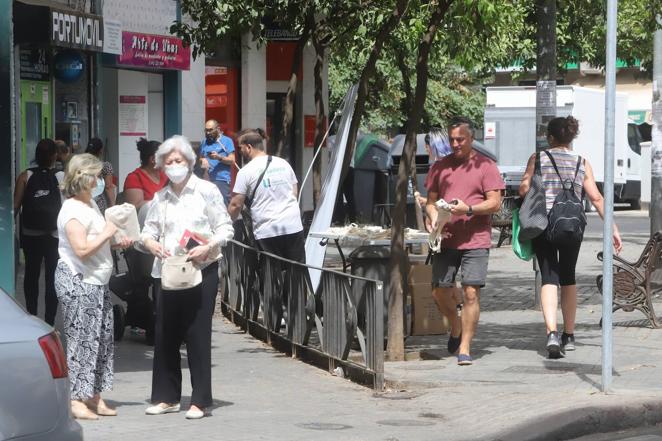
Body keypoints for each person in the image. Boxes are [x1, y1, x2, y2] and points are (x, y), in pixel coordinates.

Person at [140, 135, 234, 420]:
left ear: (190, 163)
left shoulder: (206, 191)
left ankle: (200, 400)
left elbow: (226, 228)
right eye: (168, 162)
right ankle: (166, 397)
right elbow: (147, 231)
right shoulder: (160, 197)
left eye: (178, 161)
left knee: (197, 334)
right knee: (165, 333)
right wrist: (149, 243)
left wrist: (208, 246)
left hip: (201, 270)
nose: (173, 166)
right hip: (168, 271)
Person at [519, 116, 623, 359]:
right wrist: (613, 228)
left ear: (550, 137)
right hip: (572, 227)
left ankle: (552, 333)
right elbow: (596, 197)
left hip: (543, 224)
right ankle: (570, 335)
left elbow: (524, 189)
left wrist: (534, 184)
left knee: (548, 276)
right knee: (568, 277)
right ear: (571, 138)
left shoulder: (539, 158)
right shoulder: (582, 162)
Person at [54, 153, 132, 420]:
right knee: (81, 341)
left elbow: (97, 240)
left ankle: (94, 395)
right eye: (97, 176)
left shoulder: (90, 205)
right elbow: (82, 249)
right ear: (84, 178)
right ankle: (75, 398)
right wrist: (108, 234)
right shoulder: (72, 210)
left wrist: (114, 240)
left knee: (101, 340)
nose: (102, 181)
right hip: (80, 281)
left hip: (97, 281)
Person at [425, 117, 505, 366]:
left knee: (471, 292)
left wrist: (468, 209)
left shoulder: (486, 166)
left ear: (472, 139)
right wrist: (433, 220)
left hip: (475, 240)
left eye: (460, 139)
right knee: (439, 292)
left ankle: (465, 346)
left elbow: (495, 203)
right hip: (446, 239)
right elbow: (430, 202)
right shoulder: (440, 166)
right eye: (452, 140)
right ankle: (456, 325)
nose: (456, 144)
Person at [227, 129, 305, 262]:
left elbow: (235, 205)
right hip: (293, 227)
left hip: (267, 231)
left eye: (240, 148)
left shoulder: (245, 172)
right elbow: (294, 193)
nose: (240, 152)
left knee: (272, 276)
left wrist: (226, 225)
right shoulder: (284, 163)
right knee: (297, 274)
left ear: (249, 147)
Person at [13, 139, 63, 325]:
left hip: (30, 234)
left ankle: (32, 317)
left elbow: (16, 206)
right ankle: (49, 321)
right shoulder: (61, 176)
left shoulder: (25, 176)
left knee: (31, 275)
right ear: (54, 156)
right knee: (52, 277)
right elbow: (66, 206)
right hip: (54, 235)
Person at [123, 138, 168, 212]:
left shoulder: (165, 175)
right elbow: (135, 207)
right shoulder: (134, 178)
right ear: (153, 159)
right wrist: (163, 202)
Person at [199, 119, 235, 205]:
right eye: (206, 130)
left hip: (221, 180)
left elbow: (232, 160)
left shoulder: (226, 141)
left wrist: (219, 157)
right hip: (207, 180)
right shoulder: (204, 142)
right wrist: (202, 161)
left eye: (210, 130)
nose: (208, 133)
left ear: (218, 129)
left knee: (222, 206)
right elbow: (200, 158)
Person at [85, 137, 116, 214]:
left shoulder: (81, 165)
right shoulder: (105, 166)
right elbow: (108, 187)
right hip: (99, 204)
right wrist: (113, 206)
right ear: (101, 151)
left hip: (84, 201)